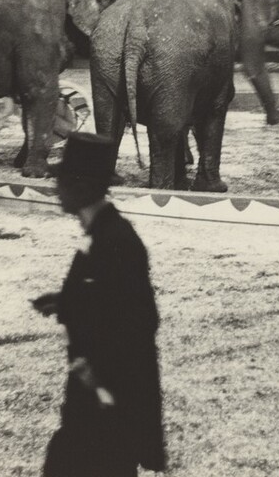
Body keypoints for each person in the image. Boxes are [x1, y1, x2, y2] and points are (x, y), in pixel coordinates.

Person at [34, 132, 166, 477]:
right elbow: (108, 299)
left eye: (60, 181)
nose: (55, 189)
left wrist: (98, 379)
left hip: (108, 393)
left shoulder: (117, 240)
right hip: (97, 393)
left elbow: (141, 319)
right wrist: (65, 303)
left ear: (81, 188)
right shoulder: (101, 233)